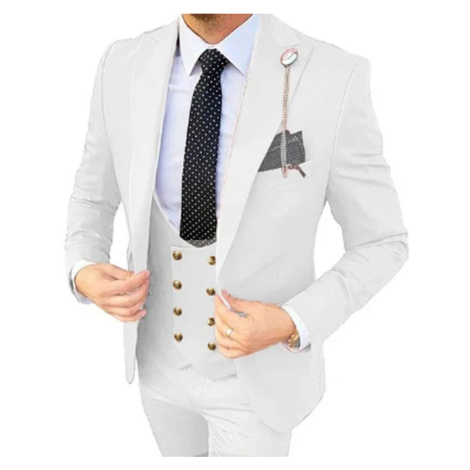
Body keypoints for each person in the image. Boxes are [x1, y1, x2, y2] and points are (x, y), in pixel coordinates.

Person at [64, 13, 409, 457]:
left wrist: (293, 321)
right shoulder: (121, 63)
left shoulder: (333, 75)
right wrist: (82, 267)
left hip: (257, 381)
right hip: (156, 369)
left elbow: (382, 241)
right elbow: (91, 196)